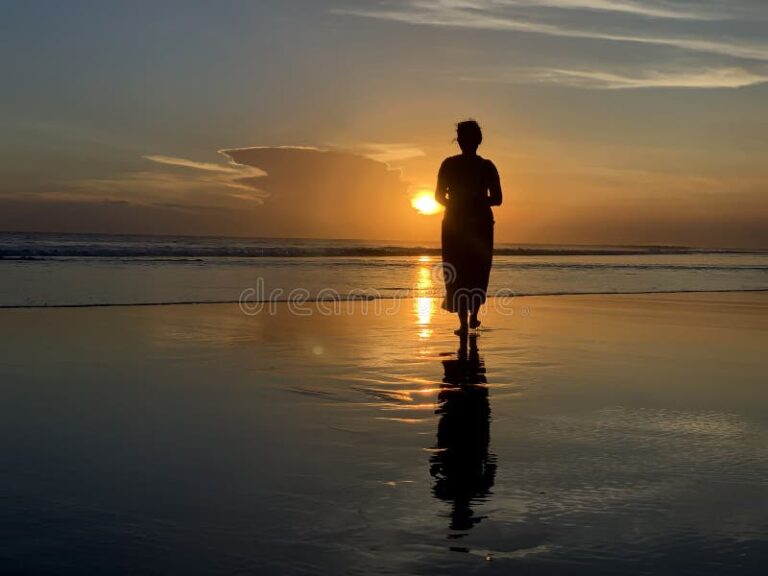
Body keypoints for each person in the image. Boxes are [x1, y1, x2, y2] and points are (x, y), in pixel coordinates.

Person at [435, 120, 502, 334]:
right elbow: (497, 199)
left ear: (460, 141)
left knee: (465, 270)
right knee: (471, 270)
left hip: (466, 223)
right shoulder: (483, 166)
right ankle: (468, 320)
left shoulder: (480, 166)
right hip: (465, 223)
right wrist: (470, 203)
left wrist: (460, 204)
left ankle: (468, 320)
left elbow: (498, 198)